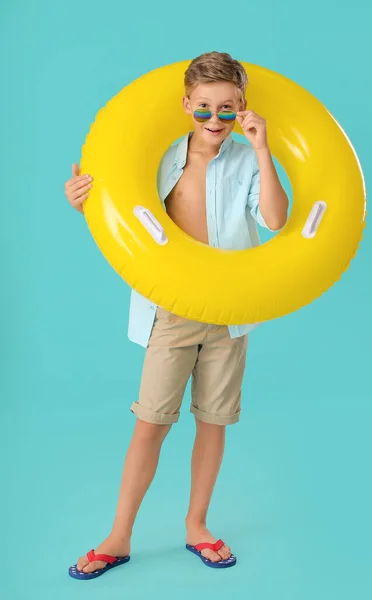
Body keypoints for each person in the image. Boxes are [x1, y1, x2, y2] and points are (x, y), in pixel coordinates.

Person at [64, 51, 288, 579]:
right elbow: (121, 214)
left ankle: (197, 525)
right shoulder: (161, 157)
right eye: (204, 108)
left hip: (230, 310)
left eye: (227, 110)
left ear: (242, 109)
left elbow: (275, 219)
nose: (215, 120)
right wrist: (84, 204)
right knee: (150, 424)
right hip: (172, 310)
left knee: (213, 421)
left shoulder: (246, 160)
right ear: (187, 104)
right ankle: (118, 536)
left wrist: (261, 149)